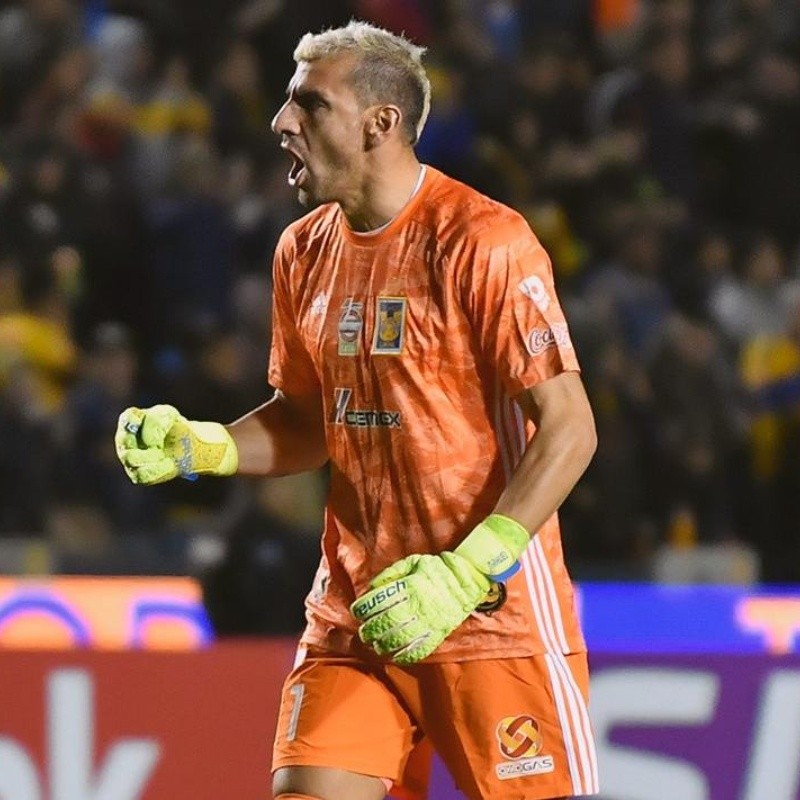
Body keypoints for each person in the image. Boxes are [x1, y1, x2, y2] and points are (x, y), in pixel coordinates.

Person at [114, 20, 599, 800]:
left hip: (488, 618)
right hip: (358, 614)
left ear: (382, 124)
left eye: (309, 104)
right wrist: (206, 447)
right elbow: (310, 420)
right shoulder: (302, 251)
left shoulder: (483, 240)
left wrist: (467, 571)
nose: (281, 122)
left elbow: (570, 427)